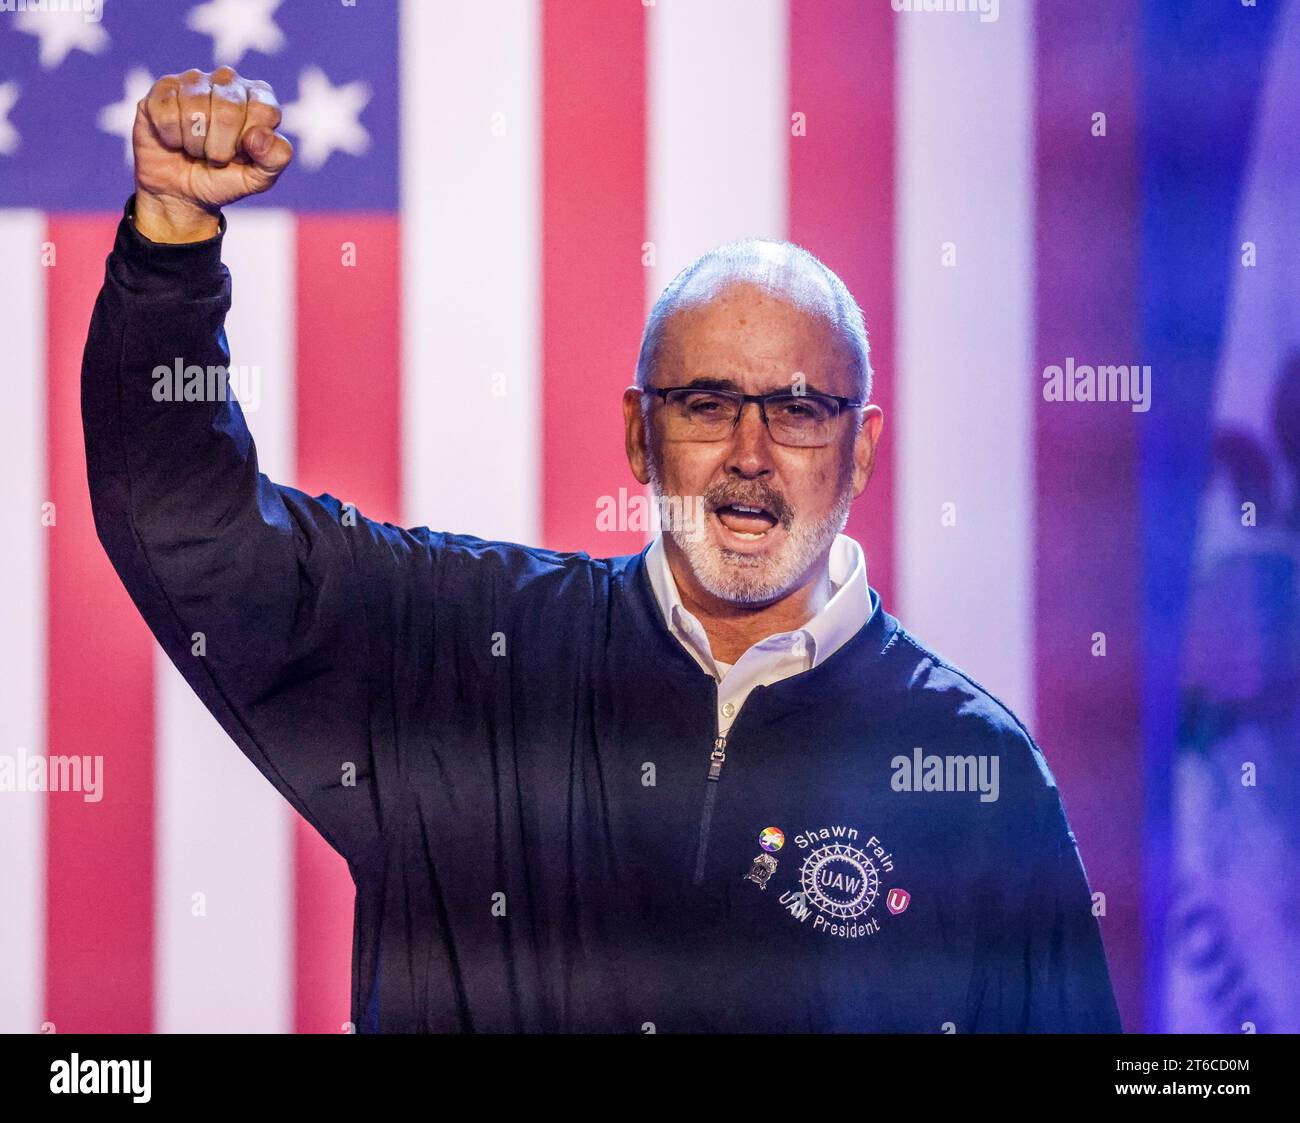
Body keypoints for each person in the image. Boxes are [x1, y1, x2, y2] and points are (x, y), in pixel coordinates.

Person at [83, 67, 1122, 1033]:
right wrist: (172, 247)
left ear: (861, 451)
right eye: (707, 404)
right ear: (638, 434)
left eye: (801, 411)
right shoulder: (451, 653)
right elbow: (189, 530)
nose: (751, 456)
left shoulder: (978, 774)